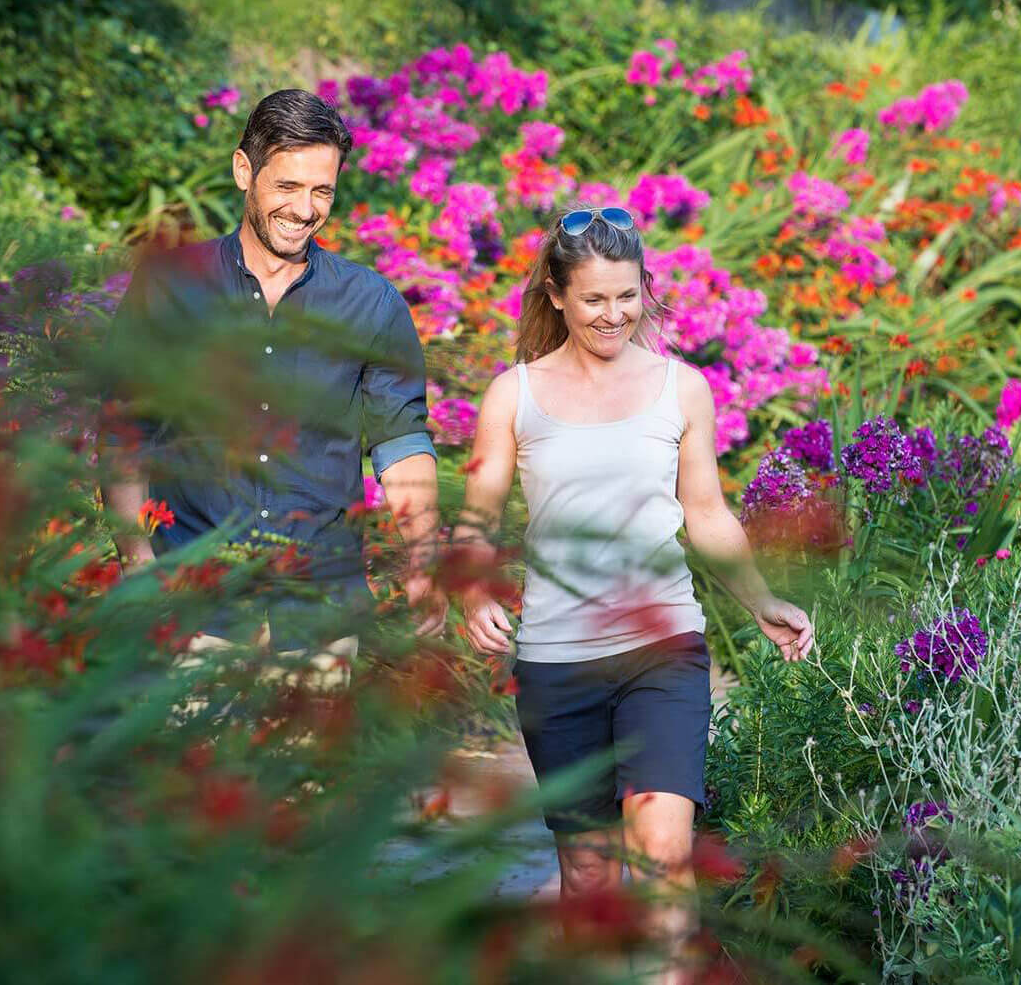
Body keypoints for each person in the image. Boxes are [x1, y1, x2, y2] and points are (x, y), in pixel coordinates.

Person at [452, 206, 814, 980]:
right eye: (594, 299)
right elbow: (476, 521)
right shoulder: (513, 396)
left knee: (662, 853)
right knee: (586, 877)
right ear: (555, 294)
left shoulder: (681, 389)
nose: (614, 315)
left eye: (629, 296)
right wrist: (474, 592)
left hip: (663, 650)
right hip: (556, 661)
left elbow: (706, 511)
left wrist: (760, 599)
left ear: (647, 289)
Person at [99, 89, 446, 653]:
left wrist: (424, 561)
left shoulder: (372, 303)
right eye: (286, 186)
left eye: (322, 191)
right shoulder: (171, 287)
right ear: (244, 171)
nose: (305, 209)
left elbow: (400, 443)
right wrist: (136, 560)